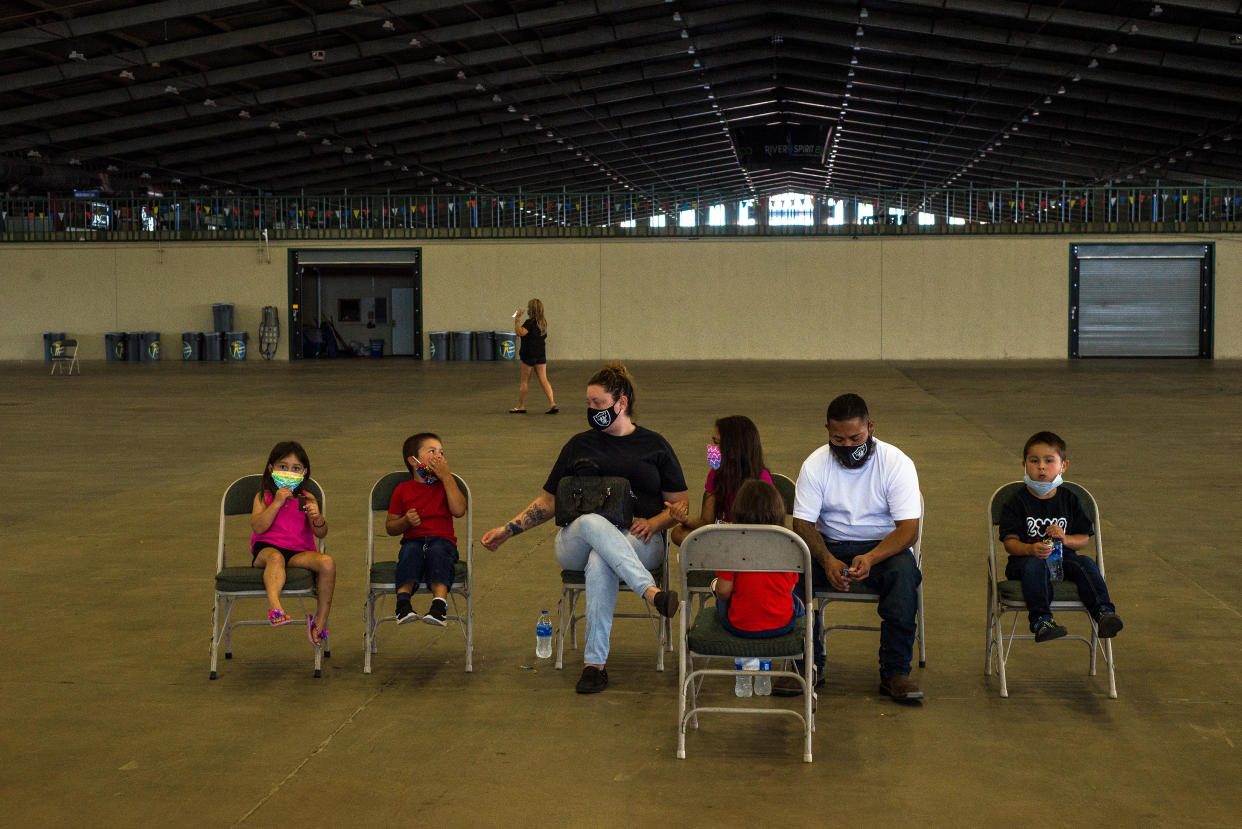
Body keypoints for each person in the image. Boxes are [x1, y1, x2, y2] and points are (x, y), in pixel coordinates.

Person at [482, 361, 687, 694]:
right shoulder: (578, 445)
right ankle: (651, 593)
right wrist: (508, 530)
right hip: (574, 540)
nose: (592, 411)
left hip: (640, 539)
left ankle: (595, 665)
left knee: (599, 560)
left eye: (599, 404)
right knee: (591, 522)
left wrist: (655, 521)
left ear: (621, 404)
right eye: (589, 404)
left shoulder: (655, 446)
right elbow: (548, 503)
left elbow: (680, 506)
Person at [784, 393, 924, 701]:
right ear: (827, 431)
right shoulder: (815, 465)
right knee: (791, 576)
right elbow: (803, 526)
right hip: (829, 543)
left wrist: (872, 557)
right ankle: (805, 666)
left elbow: (909, 531)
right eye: (839, 439)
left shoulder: (896, 463)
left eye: (855, 437)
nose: (847, 446)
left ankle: (895, 672)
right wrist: (827, 559)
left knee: (904, 577)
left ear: (871, 427)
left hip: (884, 547)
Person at [999, 431, 1123, 642]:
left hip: (1063, 560)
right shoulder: (1016, 502)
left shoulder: (1070, 500)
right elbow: (1010, 543)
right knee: (1034, 566)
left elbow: (1083, 540)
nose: (1041, 467)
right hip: (1025, 562)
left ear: (1063, 466)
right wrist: (1029, 549)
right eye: (1034, 460)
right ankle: (1042, 621)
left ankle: (1103, 613)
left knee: (1084, 563)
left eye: (1049, 461)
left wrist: (1065, 539)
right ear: (1024, 464)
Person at [250, 441, 335, 649]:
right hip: (267, 549)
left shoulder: (307, 498)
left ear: (304, 472)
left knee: (327, 563)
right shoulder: (264, 496)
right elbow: (258, 527)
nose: (289, 472)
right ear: (271, 469)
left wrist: (317, 518)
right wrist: (277, 503)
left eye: (295, 468)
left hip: (299, 552)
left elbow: (321, 533)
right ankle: (275, 606)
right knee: (276, 557)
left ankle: (319, 621)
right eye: (283, 467)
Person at [386, 432, 468, 626]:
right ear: (414, 461)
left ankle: (439, 605)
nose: (439, 456)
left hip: (442, 540)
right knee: (409, 553)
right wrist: (406, 521)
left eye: (442, 452)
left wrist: (447, 477)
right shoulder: (402, 490)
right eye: (432, 451)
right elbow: (390, 527)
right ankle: (403, 604)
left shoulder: (445, 485)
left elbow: (458, 510)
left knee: (439, 552)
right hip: (414, 540)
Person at [709, 479, 803, 638]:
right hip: (782, 625)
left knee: (721, 599)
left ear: (738, 511)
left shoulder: (733, 545)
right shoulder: (788, 544)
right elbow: (790, 587)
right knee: (794, 600)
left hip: (741, 626)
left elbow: (724, 592)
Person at [669, 415, 774, 547]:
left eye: (716, 442)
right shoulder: (716, 474)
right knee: (678, 533)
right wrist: (686, 520)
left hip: (753, 539)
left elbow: (764, 528)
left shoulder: (761, 478)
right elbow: (707, 523)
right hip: (725, 535)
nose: (711, 447)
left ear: (735, 448)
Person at [509, 298, 557, 414]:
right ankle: (552, 403)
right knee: (544, 379)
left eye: (529, 308)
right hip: (540, 354)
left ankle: (521, 406)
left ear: (532, 310)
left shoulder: (529, 323)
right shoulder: (543, 322)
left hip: (529, 354)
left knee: (524, 381)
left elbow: (519, 333)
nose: (528, 310)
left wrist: (516, 320)